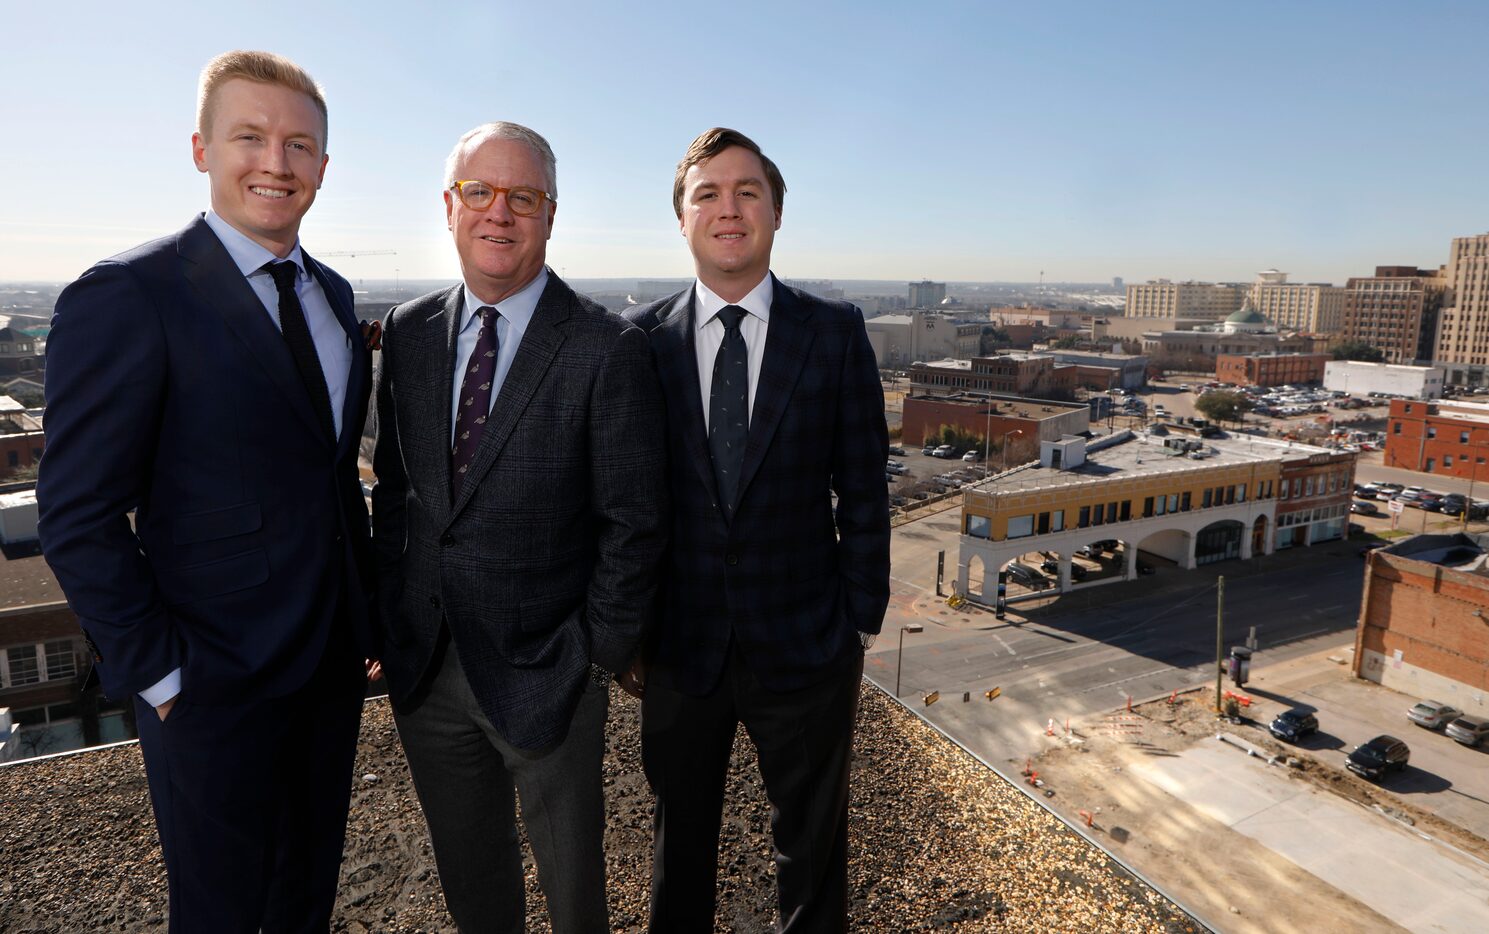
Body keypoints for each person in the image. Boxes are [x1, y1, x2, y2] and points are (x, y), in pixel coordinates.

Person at [36, 50, 375, 932]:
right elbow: (76, 515)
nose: (276, 161)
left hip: (328, 675)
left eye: (299, 144)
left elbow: (329, 479)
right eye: (250, 137)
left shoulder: (335, 298)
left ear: (324, 168)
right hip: (212, 685)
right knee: (221, 912)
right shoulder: (128, 295)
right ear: (200, 149)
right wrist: (162, 673)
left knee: (307, 900)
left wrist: (365, 625)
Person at [370, 121, 667, 934]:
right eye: (479, 191)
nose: (498, 213)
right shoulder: (408, 331)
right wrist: (390, 614)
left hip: (550, 673)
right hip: (427, 666)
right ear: (449, 205)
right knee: (472, 881)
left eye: (522, 196)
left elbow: (633, 525)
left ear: (550, 213)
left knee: (574, 894)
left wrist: (594, 650)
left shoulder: (607, 348)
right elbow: (396, 491)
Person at [622, 128, 890, 933]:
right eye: (706, 193)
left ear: (775, 213)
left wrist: (857, 619)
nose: (727, 208)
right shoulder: (638, 340)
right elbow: (624, 498)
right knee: (679, 858)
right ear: (681, 218)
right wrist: (629, 629)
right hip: (678, 649)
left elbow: (865, 486)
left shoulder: (833, 332)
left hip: (808, 643)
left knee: (812, 862)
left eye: (746, 192)